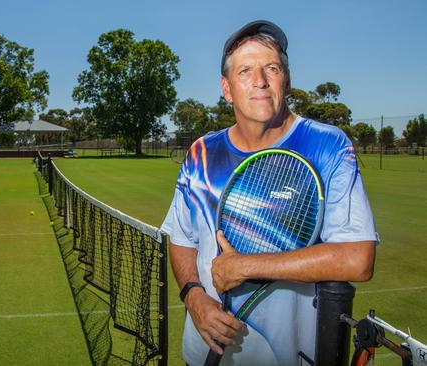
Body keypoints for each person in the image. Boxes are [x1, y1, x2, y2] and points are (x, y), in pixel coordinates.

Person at [161, 20, 378, 366]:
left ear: (286, 81)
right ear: (227, 88)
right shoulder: (200, 153)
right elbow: (182, 238)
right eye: (245, 70)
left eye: (271, 68)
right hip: (202, 351)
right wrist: (194, 297)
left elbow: (357, 257)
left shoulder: (327, 145)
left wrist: (245, 266)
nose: (259, 81)